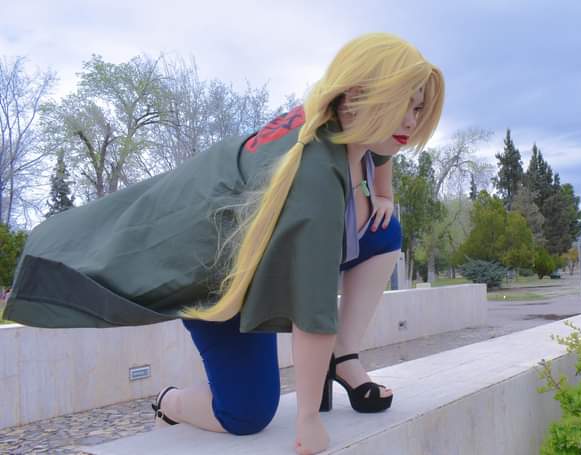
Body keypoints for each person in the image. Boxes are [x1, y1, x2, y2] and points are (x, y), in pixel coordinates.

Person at [2, 33, 444, 454]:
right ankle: (169, 403)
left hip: (249, 242)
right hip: (213, 271)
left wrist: (382, 194)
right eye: (402, 104)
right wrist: (308, 418)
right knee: (246, 413)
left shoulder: (344, 116)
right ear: (355, 96)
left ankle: (342, 357)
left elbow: (382, 149)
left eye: (418, 107)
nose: (411, 120)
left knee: (383, 229)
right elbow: (313, 311)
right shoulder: (315, 180)